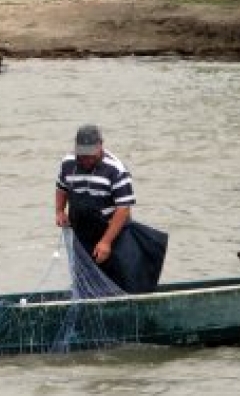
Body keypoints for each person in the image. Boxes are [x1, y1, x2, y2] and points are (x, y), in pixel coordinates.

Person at [55, 124, 167, 294]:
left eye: (90, 155)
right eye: (82, 155)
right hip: (82, 233)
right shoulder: (68, 163)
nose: (86, 160)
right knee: (84, 279)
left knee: (118, 277)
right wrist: (60, 211)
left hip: (112, 233)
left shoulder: (116, 169)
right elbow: (61, 188)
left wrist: (106, 242)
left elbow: (124, 209)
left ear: (101, 146)